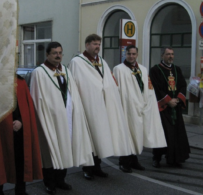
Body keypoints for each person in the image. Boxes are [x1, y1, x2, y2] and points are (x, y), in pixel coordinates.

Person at [30, 42, 94, 195]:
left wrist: (77, 111)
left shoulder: (65, 70)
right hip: (49, 118)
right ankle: (49, 182)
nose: (58, 56)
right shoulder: (39, 72)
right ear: (47, 54)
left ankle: (61, 180)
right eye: (54, 53)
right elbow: (35, 98)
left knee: (65, 147)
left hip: (67, 116)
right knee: (51, 150)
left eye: (60, 52)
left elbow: (73, 94)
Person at [68, 34, 132, 180]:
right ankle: (87, 168)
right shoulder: (77, 62)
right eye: (94, 44)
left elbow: (109, 81)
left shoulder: (102, 61)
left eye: (99, 44)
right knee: (89, 137)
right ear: (87, 45)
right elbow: (74, 84)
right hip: (87, 104)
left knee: (101, 136)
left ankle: (97, 167)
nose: (97, 47)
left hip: (102, 105)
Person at [113, 45, 167, 173]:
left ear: (137, 55)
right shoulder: (119, 69)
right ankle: (124, 161)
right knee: (127, 135)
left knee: (137, 134)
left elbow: (148, 88)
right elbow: (116, 90)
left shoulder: (143, 69)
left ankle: (134, 160)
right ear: (125, 54)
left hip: (141, 107)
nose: (131, 56)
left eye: (133, 54)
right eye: (129, 54)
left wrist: (148, 104)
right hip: (127, 107)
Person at [0, 75, 43, 195]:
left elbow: (26, 106)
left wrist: (21, 121)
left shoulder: (20, 82)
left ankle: (21, 190)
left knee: (20, 160)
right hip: (0, 129)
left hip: (19, 129)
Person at [149, 47, 190, 168]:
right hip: (163, 108)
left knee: (176, 134)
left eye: (172, 54)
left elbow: (183, 85)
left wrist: (177, 99)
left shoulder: (177, 69)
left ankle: (174, 159)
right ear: (162, 56)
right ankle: (156, 158)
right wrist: (168, 101)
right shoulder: (155, 70)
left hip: (175, 108)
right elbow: (155, 87)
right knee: (163, 133)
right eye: (168, 54)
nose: (170, 56)